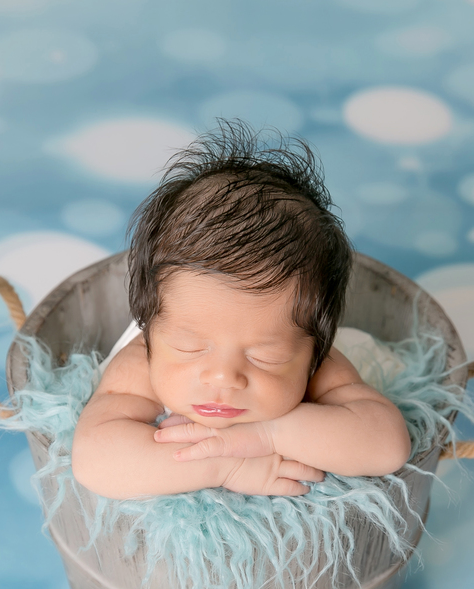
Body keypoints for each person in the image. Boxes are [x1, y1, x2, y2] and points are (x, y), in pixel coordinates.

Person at [71, 122, 410, 500]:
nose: (224, 377)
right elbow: (95, 459)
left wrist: (267, 434)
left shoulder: (318, 366)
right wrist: (226, 463)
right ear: (151, 329)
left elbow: (387, 445)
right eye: (189, 346)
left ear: (314, 346)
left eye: (266, 355)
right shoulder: (141, 366)